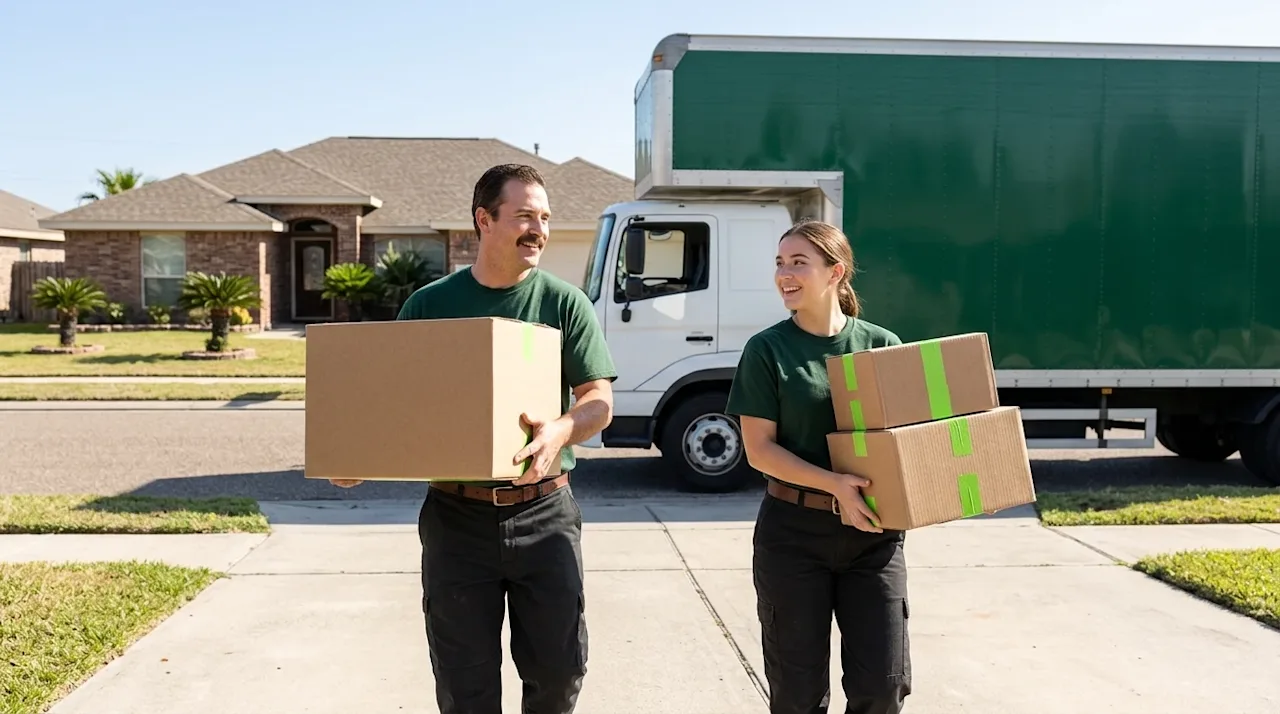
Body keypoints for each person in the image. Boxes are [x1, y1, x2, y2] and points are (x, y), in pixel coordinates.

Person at [329, 163, 617, 714]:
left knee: (558, 675)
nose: (539, 229)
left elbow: (599, 400)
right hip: (457, 522)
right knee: (465, 687)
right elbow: (395, 405)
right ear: (484, 220)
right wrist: (359, 455)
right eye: (525, 216)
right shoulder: (429, 306)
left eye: (545, 217)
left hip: (544, 513)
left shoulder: (564, 303)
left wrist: (562, 428)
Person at [725, 219, 910, 714]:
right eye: (780, 263)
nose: (785, 274)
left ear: (836, 272)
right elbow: (759, 449)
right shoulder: (767, 350)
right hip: (792, 536)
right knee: (798, 695)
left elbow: (905, 443)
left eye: (798, 263)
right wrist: (835, 486)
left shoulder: (881, 345)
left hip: (874, 537)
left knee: (882, 688)